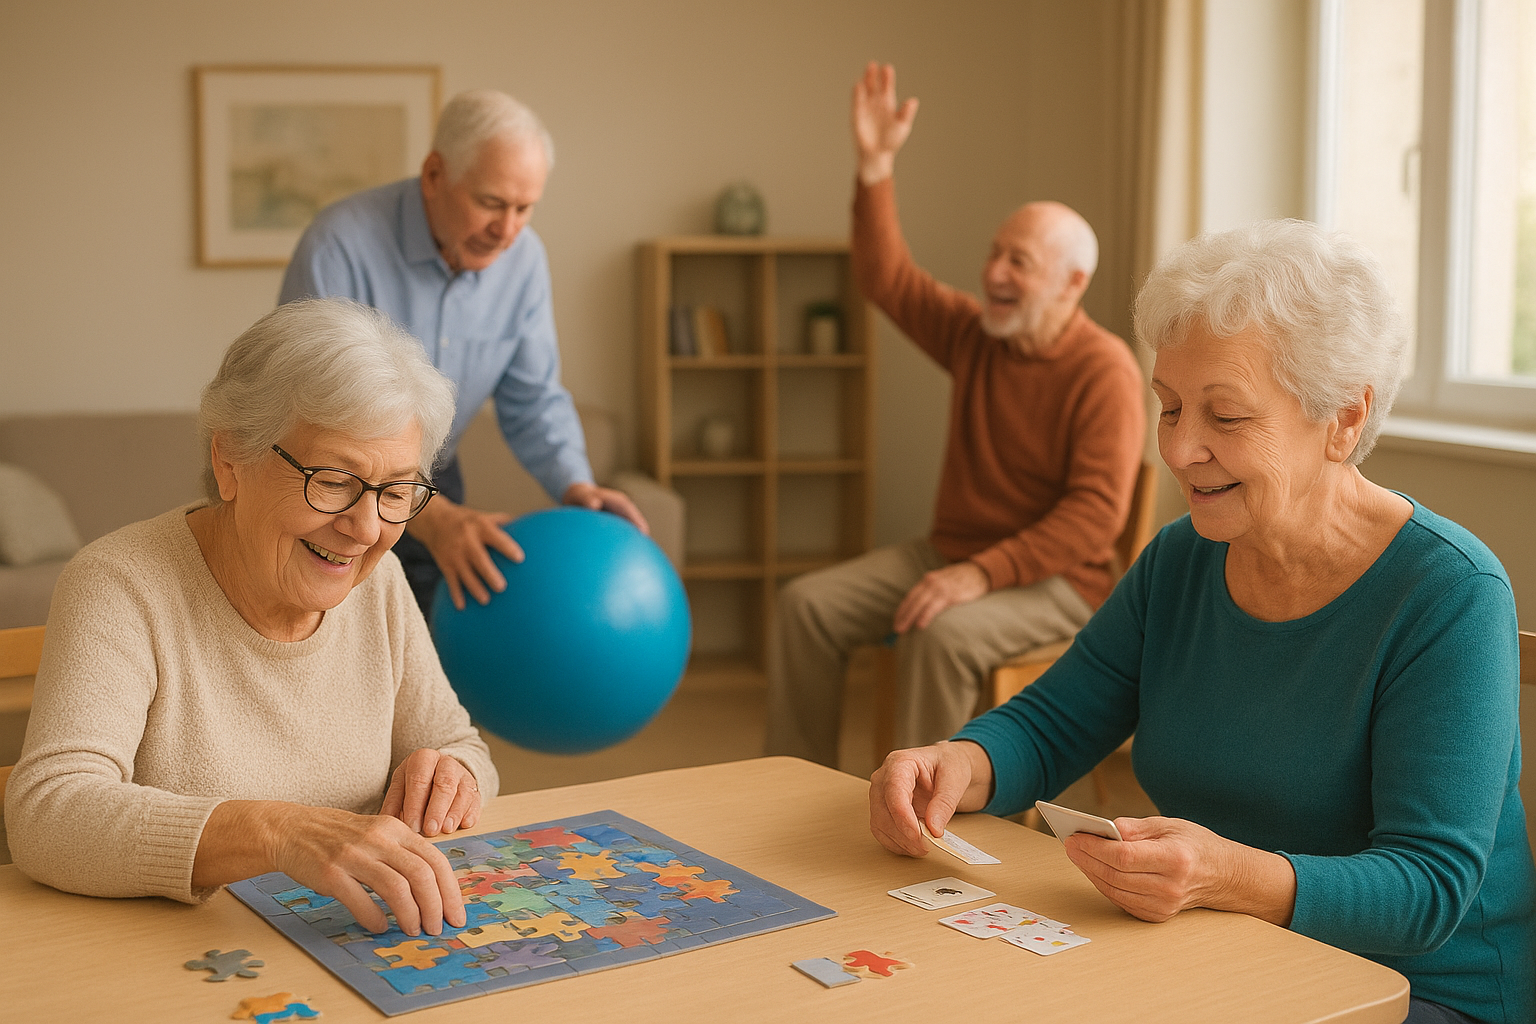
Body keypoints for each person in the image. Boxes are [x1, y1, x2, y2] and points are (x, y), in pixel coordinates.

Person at [868, 220, 1535, 1024]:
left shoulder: (1450, 594)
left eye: (1226, 416)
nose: (1181, 449)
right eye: (1171, 407)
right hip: (1226, 957)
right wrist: (955, 762)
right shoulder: (1180, 558)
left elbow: (1426, 889)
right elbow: (1052, 725)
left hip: (1415, 992)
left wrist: (1228, 875)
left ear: (1344, 419)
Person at [6, 299, 500, 938]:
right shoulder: (120, 583)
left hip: (352, 942)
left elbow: (461, 746)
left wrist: (454, 776)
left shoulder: (379, 583)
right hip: (181, 951)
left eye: (396, 491)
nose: (365, 528)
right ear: (230, 461)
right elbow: (49, 812)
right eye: (333, 481)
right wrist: (277, 832)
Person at [765, 63, 1146, 765]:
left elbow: (1095, 516)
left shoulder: (1105, 371)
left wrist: (981, 574)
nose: (993, 272)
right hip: (950, 553)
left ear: (1072, 283)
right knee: (805, 606)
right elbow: (887, 280)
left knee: (937, 632)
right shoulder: (978, 335)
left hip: (1059, 583)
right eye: (994, 253)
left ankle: (921, 805)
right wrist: (875, 167)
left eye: (1018, 262)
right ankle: (792, 778)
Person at [279, 89, 645, 618]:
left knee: (431, 647)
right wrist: (431, 518)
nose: (507, 231)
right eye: (491, 203)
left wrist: (577, 486)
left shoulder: (524, 261)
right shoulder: (339, 245)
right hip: (331, 483)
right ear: (434, 175)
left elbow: (533, 399)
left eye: (524, 208)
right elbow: (313, 415)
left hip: (432, 478)